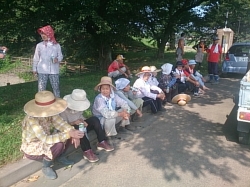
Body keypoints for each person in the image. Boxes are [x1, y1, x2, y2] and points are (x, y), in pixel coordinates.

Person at [20, 91, 84, 180]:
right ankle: (46, 166)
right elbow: (45, 139)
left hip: (45, 140)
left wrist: (72, 131)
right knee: (59, 144)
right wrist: (69, 134)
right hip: (32, 146)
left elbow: (61, 124)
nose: (51, 109)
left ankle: (59, 156)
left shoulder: (50, 113)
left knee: (68, 133)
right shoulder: (31, 119)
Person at [60, 89, 114, 163]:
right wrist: (74, 122)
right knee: (78, 128)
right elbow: (62, 125)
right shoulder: (63, 110)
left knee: (94, 119)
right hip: (72, 129)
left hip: (80, 125)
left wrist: (83, 121)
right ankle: (87, 151)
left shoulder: (79, 108)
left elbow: (80, 116)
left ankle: (101, 141)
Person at [32, 25, 63, 98]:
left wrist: (57, 59)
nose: (42, 35)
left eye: (44, 33)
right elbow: (36, 57)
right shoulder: (39, 45)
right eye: (41, 34)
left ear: (49, 33)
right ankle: (41, 103)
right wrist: (34, 69)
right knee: (41, 88)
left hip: (54, 70)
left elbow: (61, 56)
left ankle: (58, 102)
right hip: (42, 70)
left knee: (56, 87)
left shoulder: (56, 45)